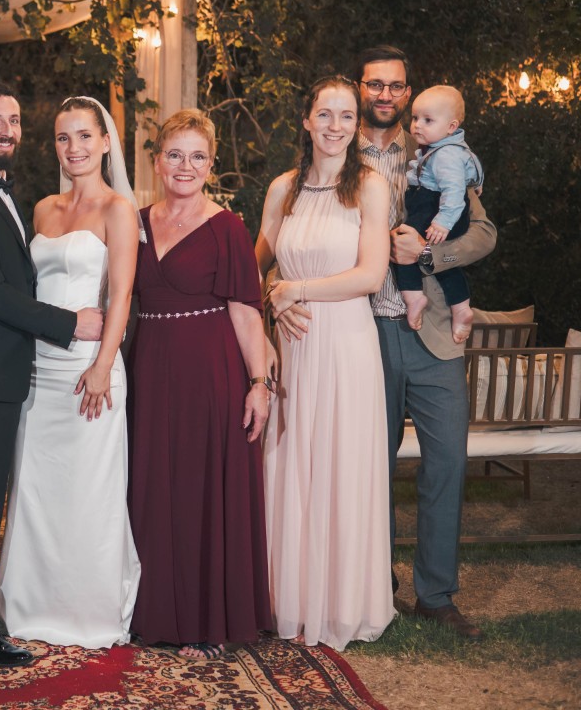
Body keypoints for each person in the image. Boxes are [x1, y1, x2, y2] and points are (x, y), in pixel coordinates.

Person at [0, 82, 104, 667]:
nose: (6, 130)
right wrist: (70, 324)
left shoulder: (3, 193)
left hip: (11, 370)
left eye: (13, 120)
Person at [351, 46, 493, 637]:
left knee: (447, 464)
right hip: (363, 333)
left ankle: (435, 595)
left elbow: (483, 233)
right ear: (360, 88)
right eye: (374, 84)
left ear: (408, 93)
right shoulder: (339, 152)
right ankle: (372, 586)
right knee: (368, 465)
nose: (385, 94)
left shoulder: (436, 149)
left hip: (433, 334)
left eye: (395, 86)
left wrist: (429, 256)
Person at [0, 96, 141, 649]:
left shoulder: (117, 210)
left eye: (84, 136)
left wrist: (102, 365)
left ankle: (88, 610)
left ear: (105, 142)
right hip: (38, 370)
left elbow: (121, 294)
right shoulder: (43, 210)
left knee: (87, 490)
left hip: (87, 368)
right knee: (35, 489)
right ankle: (31, 604)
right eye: (63, 137)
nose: (73, 147)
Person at [127, 109, 272, 660]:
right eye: (174, 155)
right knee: (150, 487)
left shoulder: (228, 227)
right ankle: (150, 612)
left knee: (199, 490)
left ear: (211, 165)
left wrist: (258, 384)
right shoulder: (135, 223)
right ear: (157, 161)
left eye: (197, 156)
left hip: (210, 375)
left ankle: (203, 618)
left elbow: (246, 311)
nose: (184, 166)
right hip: (149, 370)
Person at [256, 76, 394, 651]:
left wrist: (297, 290)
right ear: (307, 120)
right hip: (295, 349)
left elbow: (370, 275)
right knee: (292, 464)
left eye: (346, 116)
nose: (335, 126)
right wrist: (273, 294)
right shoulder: (282, 189)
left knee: (341, 465)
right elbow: (253, 267)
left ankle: (341, 605)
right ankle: (287, 598)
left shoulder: (370, 188)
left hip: (346, 345)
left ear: (356, 125)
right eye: (325, 114)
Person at [393, 84, 483, 342]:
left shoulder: (445, 155)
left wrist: (442, 222)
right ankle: (461, 307)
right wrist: (477, 183)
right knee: (443, 266)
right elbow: (472, 171)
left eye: (428, 120)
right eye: (415, 118)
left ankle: (414, 297)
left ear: (451, 127)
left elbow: (453, 191)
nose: (417, 125)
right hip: (438, 207)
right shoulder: (453, 148)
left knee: (402, 245)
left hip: (434, 207)